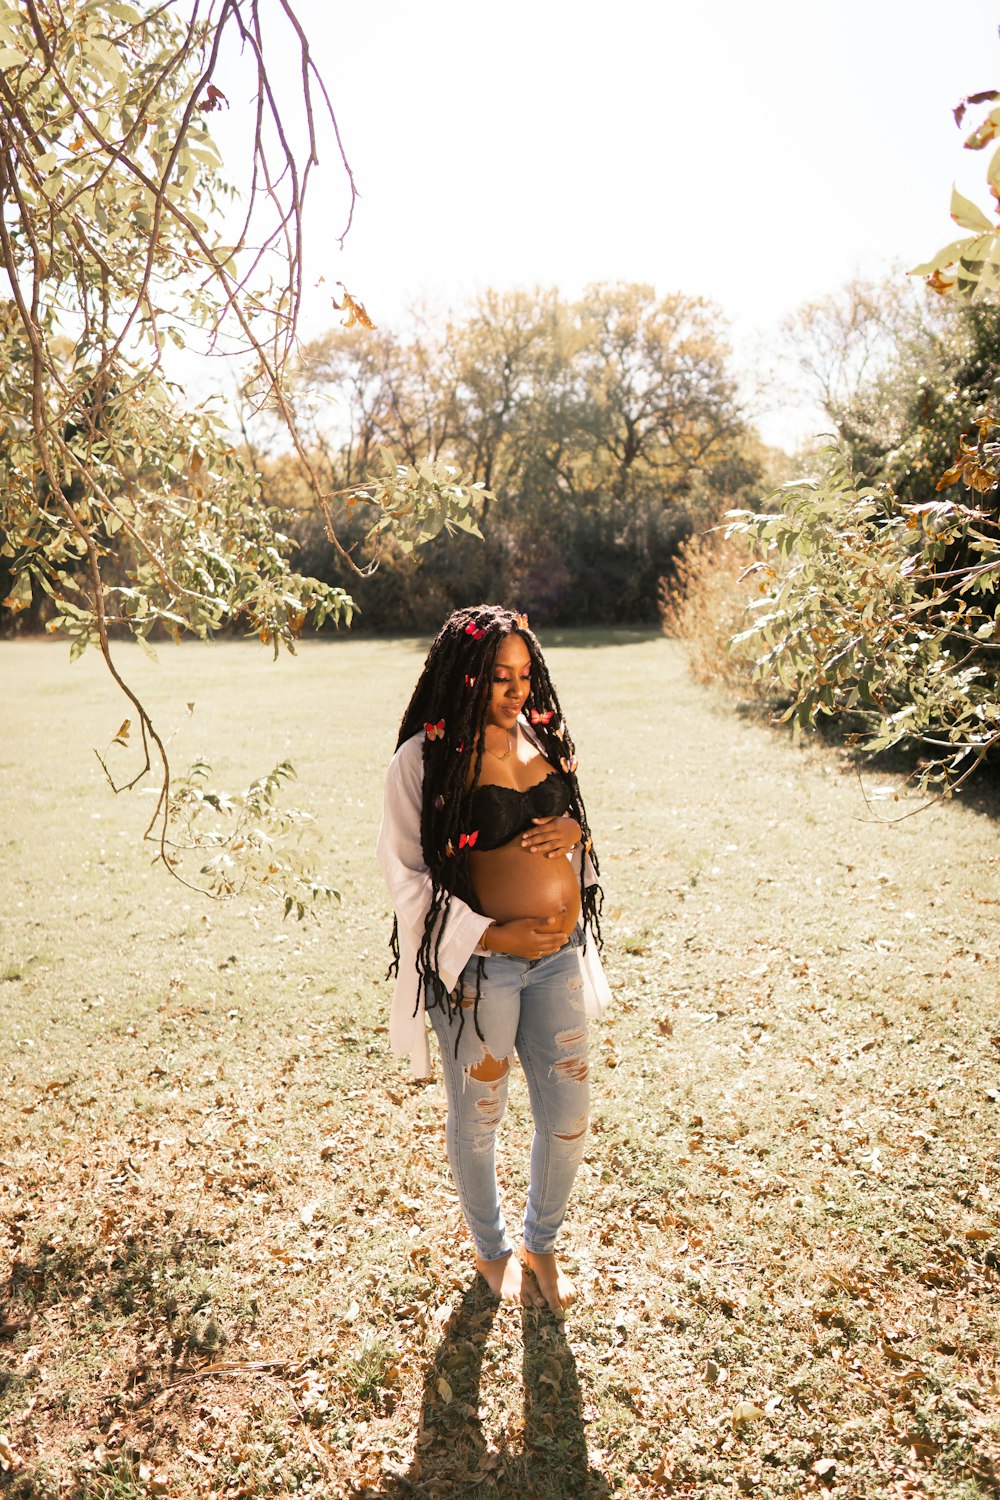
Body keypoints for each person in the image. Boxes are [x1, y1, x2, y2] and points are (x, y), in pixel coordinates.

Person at [376, 604, 610, 1314]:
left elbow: (573, 834)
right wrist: (493, 937)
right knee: (480, 1115)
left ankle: (543, 1240)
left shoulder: (543, 736)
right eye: (497, 677)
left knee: (568, 1114)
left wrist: (575, 829)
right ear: (464, 677)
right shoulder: (422, 761)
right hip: (481, 972)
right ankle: (491, 1246)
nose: (515, 691)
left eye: (524, 675)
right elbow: (407, 878)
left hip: (559, 958)